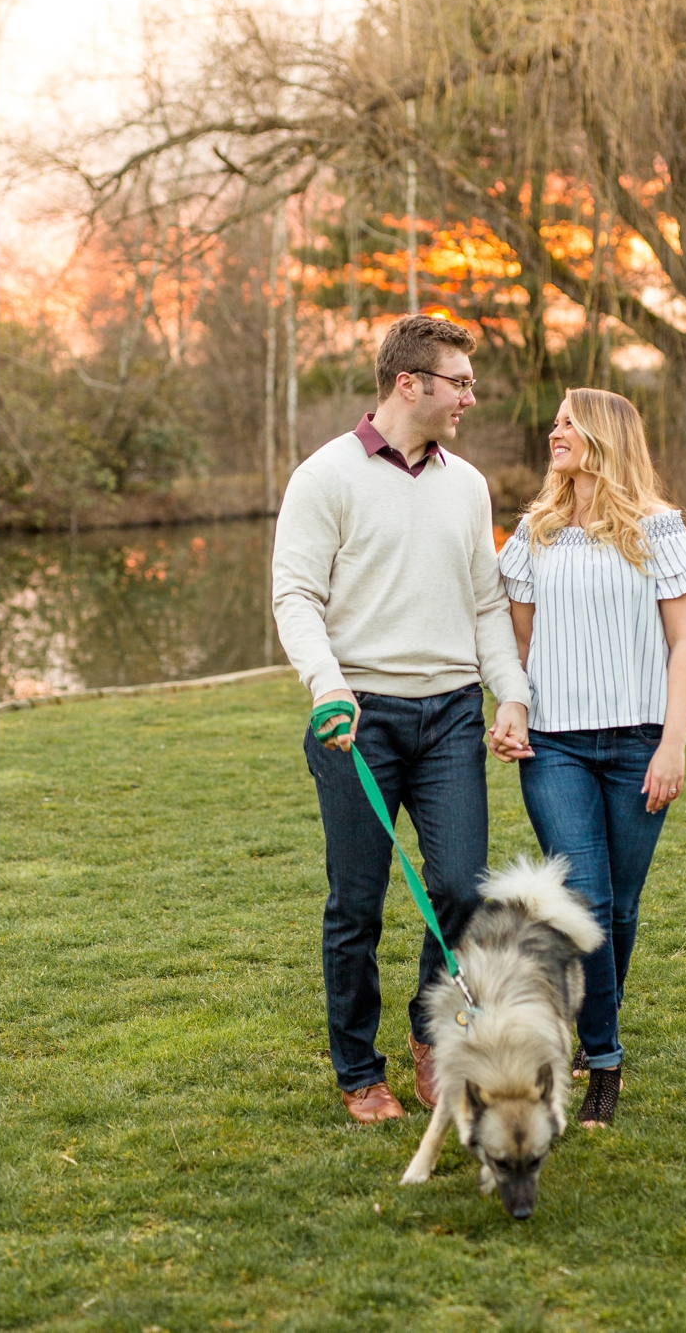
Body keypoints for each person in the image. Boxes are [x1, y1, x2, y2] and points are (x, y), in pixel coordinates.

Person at [272, 314, 533, 1124]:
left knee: (460, 887)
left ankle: (432, 1035)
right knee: (357, 902)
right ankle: (358, 1072)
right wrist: (327, 686)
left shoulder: (468, 484)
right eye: (459, 382)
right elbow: (296, 596)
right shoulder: (325, 478)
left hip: (452, 714)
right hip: (360, 721)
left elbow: (488, 603)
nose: (470, 397)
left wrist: (510, 694)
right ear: (408, 384)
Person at [496, 388, 686, 1127]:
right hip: (554, 746)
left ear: (606, 435)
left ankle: (592, 1031)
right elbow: (518, 646)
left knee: (618, 907)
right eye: (553, 419)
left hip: (638, 747)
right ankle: (605, 1060)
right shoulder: (534, 533)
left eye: (568, 422)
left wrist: (673, 744)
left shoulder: (661, 530)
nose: (554, 430)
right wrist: (512, 705)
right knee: (583, 903)